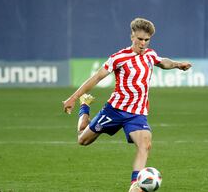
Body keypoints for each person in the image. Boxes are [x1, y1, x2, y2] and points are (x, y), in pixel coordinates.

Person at [62, 17, 192, 192]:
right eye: (140, 39)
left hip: (137, 113)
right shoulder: (118, 58)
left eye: (147, 40)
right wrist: (73, 98)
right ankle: (84, 106)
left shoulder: (150, 55)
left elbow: (162, 62)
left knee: (145, 143)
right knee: (82, 140)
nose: (143, 43)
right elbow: (97, 78)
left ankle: (135, 185)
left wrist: (177, 65)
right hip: (114, 110)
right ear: (132, 36)